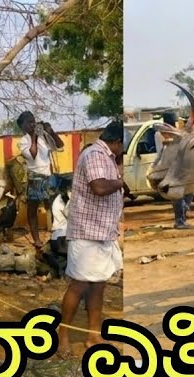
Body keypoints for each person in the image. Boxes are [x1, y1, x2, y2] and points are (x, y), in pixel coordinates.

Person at [59, 120, 124, 354]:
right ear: (116, 142)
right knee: (79, 285)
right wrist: (120, 182)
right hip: (87, 233)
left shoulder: (107, 157)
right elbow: (98, 187)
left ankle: (93, 336)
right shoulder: (95, 154)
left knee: (98, 286)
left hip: (103, 232)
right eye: (122, 147)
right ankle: (63, 335)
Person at [16, 111, 63, 249]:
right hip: (35, 178)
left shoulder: (44, 137)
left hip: (48, 177)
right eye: (29, 122)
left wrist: (51, 132)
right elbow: (32, 154)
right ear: (22, 126)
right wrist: (34, 136)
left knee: (55, 208)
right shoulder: (24, 141)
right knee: (33, 210)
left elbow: (59, 146)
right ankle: (37, 240)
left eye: (33, 121)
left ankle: (57, 236)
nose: (32, 124)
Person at [44, 181, 71, 278]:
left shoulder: (60, 200)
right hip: (62, 239)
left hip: (59, 237)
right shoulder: (61, 202)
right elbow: (71, 217)